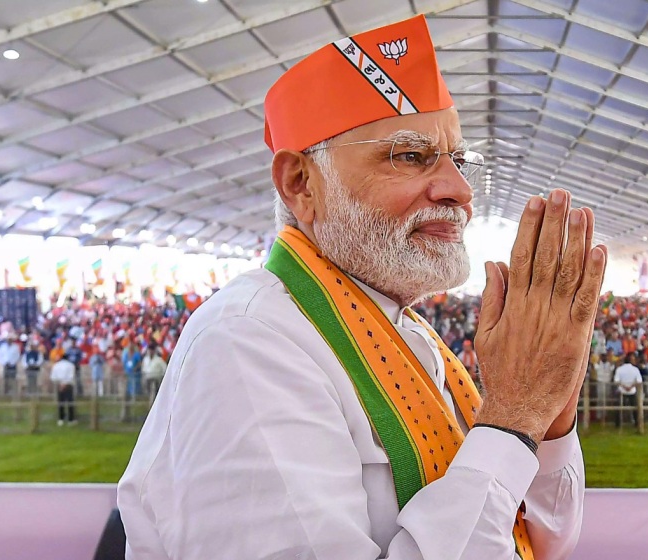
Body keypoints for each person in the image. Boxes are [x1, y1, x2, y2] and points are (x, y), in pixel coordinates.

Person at [119, 15, 603, 559]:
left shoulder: (409, 337)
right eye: (411, 156)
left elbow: (537, 540)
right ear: (302, 184)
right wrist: (512, 417)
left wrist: (547, 414)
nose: (460, 190)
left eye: (458, 159)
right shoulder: (247, 342)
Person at [613, 354, 642, 428]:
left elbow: (616, 381)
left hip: (622, 390)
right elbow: (639, 381)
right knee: (635, 408)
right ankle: (637, 423)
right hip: (632, 391)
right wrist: (631, 387)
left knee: (619, 408)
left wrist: (624, 386)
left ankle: (618, 424)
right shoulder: (635, 369)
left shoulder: (619, 369)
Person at [50, 353, 76, 426]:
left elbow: (53, 377)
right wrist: (65, 383)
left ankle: (60, 419)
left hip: (59, 385)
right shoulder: (71, 365)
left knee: (61, 402)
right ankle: (71, 419)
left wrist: (60, 383)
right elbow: (71, 376)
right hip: (68, 385)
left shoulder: (56, 365)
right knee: (70, 402)